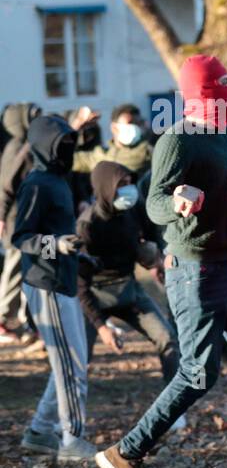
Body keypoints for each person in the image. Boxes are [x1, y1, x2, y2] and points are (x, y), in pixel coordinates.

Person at [93, 54, 227, 468]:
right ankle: (127, 451)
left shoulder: (224, 135)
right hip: (193, 269)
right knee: (199, 372)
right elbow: (153, 203)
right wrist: (177, 202)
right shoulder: (177, 139)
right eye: (220, 90)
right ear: (201, 96)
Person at [12, 115, 96, 460]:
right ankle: (72, 439)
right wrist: (56, 245)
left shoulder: (60, 181)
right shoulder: (36, 184)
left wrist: (79, 250)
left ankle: (39, 432)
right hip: (44, 284)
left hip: (64, 281)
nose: (68, 152)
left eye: (70, 145)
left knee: (71, 361)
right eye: (62, 146)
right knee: (71, 363)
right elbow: (21, 237)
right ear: (45, 147)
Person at [76, 161, 178, 387]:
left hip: (128, 288)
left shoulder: (134, 208)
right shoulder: (87, 226)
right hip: (94, 293)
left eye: (130, 182)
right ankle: (69, 415)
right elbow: (80, 285)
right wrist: (101, 326)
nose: (129, 189)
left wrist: (157, 257)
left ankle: (174, 405)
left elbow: (153, 234)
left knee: (167, 339)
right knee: (78, 359)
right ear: (105, 187)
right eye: (121, 184)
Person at [0, 102, 42, 344]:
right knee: (15, 267)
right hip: (16, 219)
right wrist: (2, 216)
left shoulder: (21, 145)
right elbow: (6, 186)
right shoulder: (16, 147)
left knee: (26, 269)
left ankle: (27, 319)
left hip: (24, 217)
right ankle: (4, 318)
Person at [73, 104, 153, 193]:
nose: (135, 127)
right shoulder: (99, 155)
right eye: (130, 123)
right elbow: (67, 158)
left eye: (137, 123)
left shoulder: (146, 150)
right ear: (114, 128)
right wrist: (77, 126)